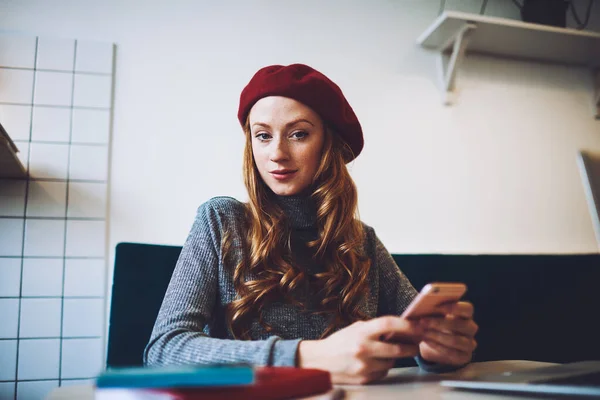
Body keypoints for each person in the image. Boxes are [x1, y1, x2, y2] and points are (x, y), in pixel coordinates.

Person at [144, 64, 478, 384]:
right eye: (262, 136)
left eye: (298, 134)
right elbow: (164, 349)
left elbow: (418, 334)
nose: (277, 152)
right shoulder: (220, 221)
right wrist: (307, 356)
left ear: (328, 144)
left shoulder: (362, 242)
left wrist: (440, 350)